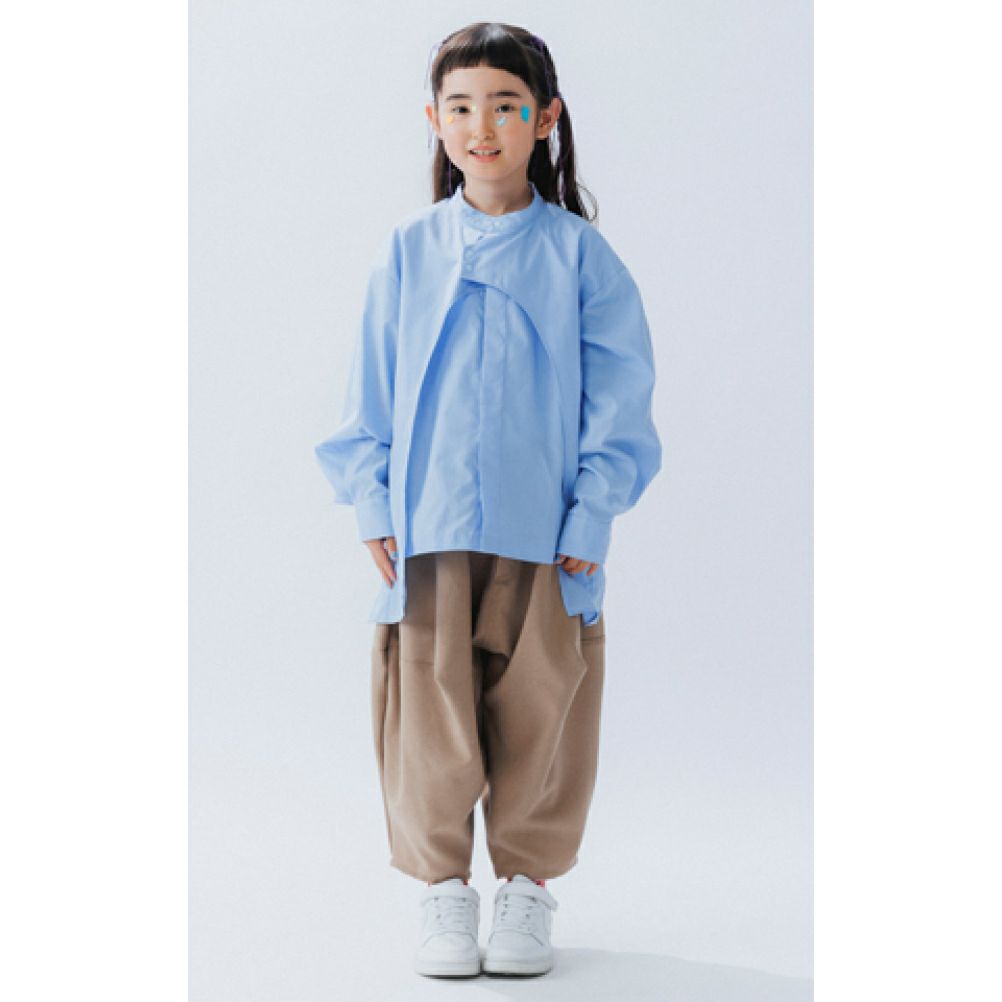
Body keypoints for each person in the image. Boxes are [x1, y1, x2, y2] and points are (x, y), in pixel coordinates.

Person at [314, 22, 662, 979]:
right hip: (427, 536)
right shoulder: (409, 251)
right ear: (434, 120)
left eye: (505, 106)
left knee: (542, 705)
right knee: (428, 711)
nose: (482, 127)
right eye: (461, 107)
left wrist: (593, 511)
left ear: (544, 119)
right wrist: (372, 502)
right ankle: (443, 890)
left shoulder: (581, 257)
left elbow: (620, 397)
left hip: (547, 538)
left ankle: (526, 888)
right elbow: (368, 391)